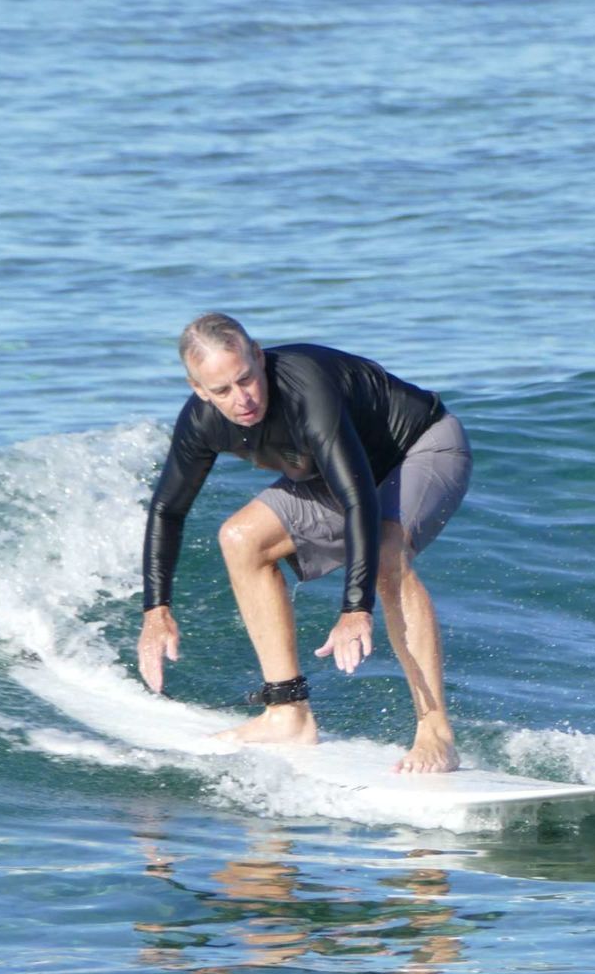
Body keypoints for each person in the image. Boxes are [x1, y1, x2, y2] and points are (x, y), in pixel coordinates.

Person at [137, 312, 472, 774]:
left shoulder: (305, 389)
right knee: (241, 538)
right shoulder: (201, 423)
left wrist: (355, 609)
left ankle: (436, 732)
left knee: (386, 555)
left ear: (259, 356)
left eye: (247, 379)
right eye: (222, 391)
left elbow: (357, 500)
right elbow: (167, 510)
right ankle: (287, 713)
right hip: (341, 474)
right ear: (199, 391)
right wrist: (156, 611)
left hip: (419, 447)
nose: (242, 399)